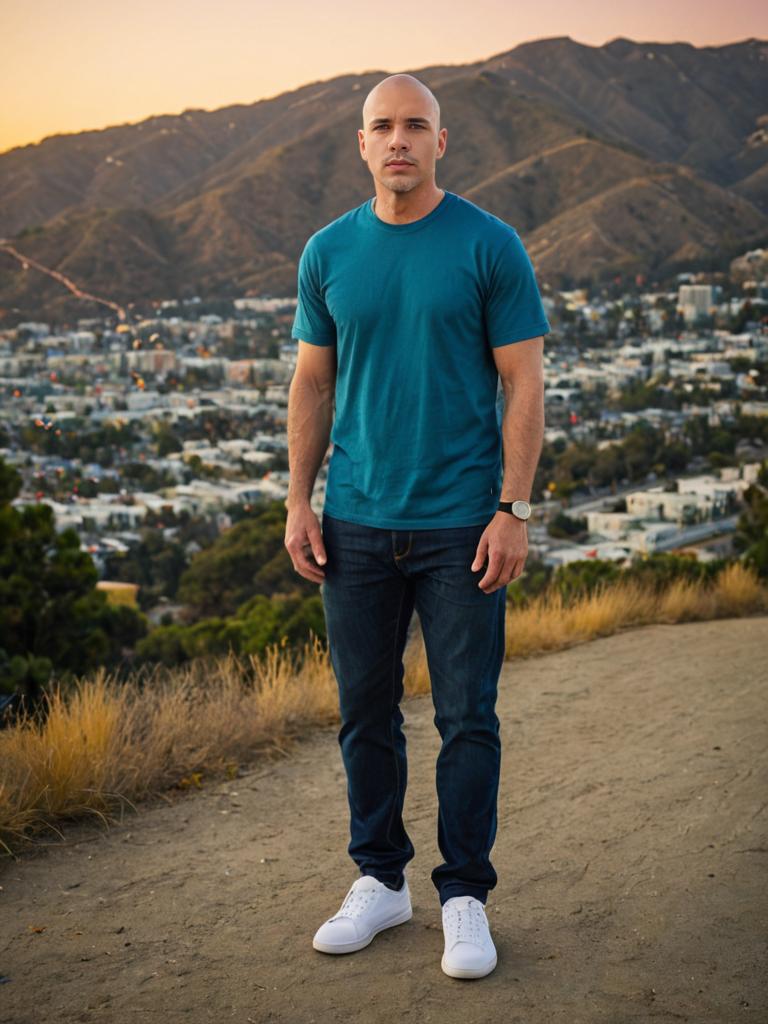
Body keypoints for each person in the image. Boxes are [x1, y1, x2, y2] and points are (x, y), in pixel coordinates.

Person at [284, 72, 550, 980]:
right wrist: (297, 499)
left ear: (443, 141)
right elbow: (313, 383)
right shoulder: (326, 252)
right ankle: (382, 883)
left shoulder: (489, 244)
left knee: (466, 717)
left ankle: (465, 896)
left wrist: (513, 509)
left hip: (462, 525)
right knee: (365, 713)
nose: (399, 140)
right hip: (355, 522)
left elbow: (524, 382)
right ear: (361, 144)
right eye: (382, 126)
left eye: (416, 126)